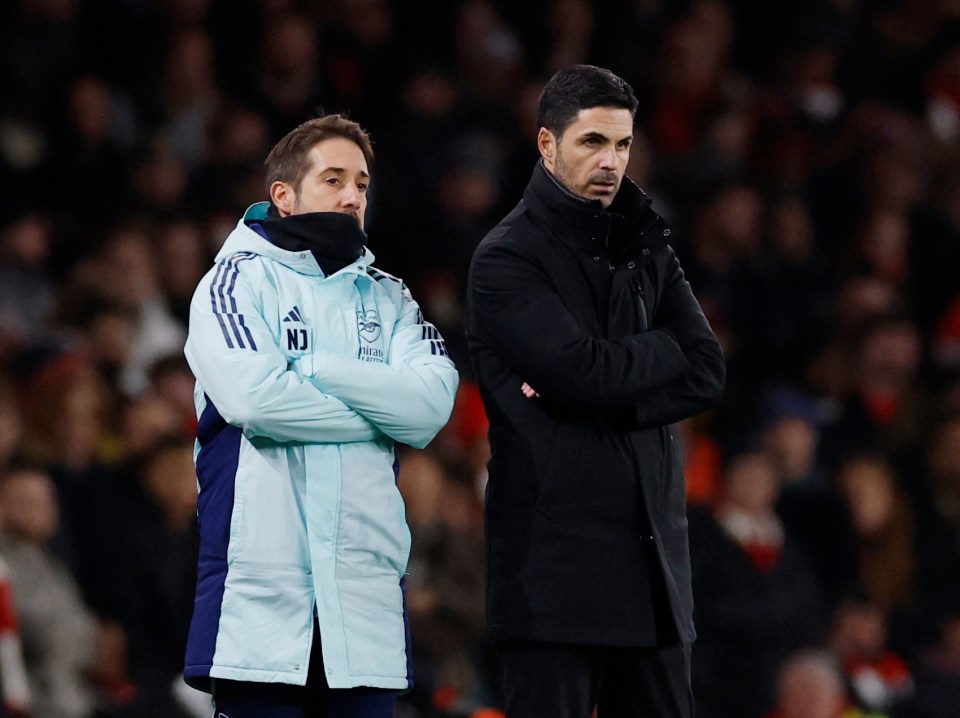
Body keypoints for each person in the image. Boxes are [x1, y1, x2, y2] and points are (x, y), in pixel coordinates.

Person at [466, 65, 726, 717]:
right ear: (547, 145)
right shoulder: (507, 258)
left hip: (655, 575)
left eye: (622, 145)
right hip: (556, 580)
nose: (611, 162)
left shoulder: (646, 245)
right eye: (592, 143)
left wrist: (613, 392)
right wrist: (654, 356)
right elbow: (580, 370)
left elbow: (706, 369)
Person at [182, 114, 459, 717]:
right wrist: (379, 414)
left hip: (365, 607)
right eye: (333, 178)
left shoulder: (390, 295)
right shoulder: (232, 283)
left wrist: (316, 371)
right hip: (259, 600)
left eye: (361, 182)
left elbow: (432, 407)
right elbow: (255, 401)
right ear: (283, 195)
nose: (352, 195)